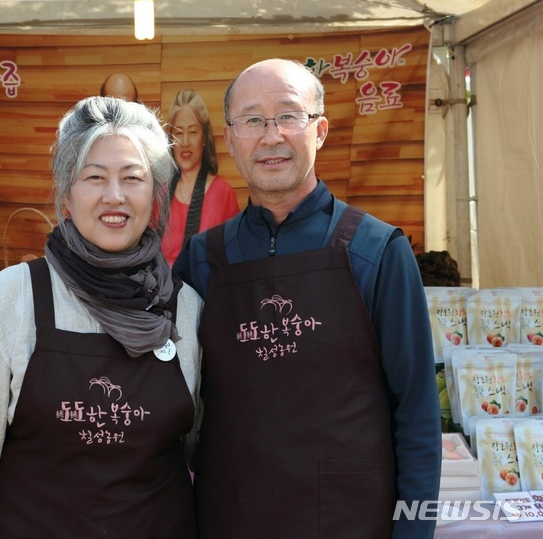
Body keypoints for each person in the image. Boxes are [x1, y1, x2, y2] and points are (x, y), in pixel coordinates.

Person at [174, 59, 441, 538]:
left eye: (288, 116)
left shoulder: (377, 251)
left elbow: (417, 412)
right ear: (231, 139)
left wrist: (414, 532)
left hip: (350, 517)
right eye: (252, 120)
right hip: (231, 515)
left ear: (319, 130)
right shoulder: (201, 261)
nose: (271, 135)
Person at [0, 96, 203, 538]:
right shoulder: (13, 297)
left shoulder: (186, 308)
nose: (115, 195)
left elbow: (202, 446)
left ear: (155, 193)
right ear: (67, 192)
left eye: (133, 178)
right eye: (95, 177)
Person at [161, 88, 239, 265]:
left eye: (193, 132)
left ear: (204, 138)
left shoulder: (222, 193)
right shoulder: (160, 192)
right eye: (179, 132)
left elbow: (233, 259)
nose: (185, 141)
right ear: (171, 139)